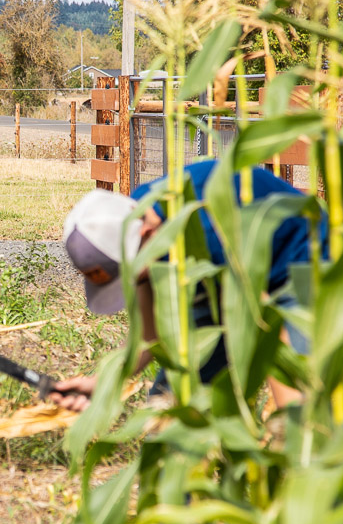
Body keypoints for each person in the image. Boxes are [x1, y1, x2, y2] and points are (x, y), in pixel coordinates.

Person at [51, 160, 327, 412]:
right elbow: (149, 334)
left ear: (146, 234)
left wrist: (291, 424)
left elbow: (262, 324)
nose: (134, 283)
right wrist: (102, 383)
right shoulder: (130, 223)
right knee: (169, 410)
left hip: (299, 259)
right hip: (221, 275)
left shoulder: (204, 225)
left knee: (302, 400)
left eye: (132, 275)